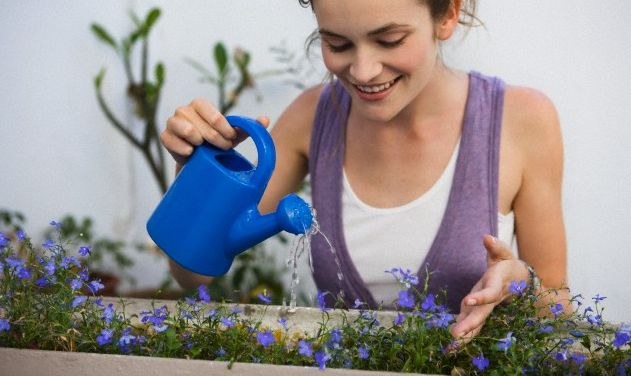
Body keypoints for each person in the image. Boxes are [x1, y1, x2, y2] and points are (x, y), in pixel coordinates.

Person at [160, 0, 570, 339]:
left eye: (389, 40)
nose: (363, 71)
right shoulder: (311, 118)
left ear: (447, 16)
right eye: (337, 44)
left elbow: (559, 308)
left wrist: (522, 283)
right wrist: (196, 178)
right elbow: (192, 273)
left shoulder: (520, 121)